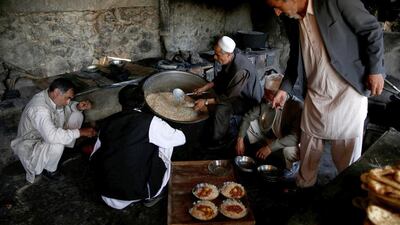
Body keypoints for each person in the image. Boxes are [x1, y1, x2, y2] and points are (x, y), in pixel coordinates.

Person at [264, 0, 385, 187]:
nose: (277, 13)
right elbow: (295, 57)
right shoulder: (292, 19)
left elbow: (372, 29)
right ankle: (304, 186)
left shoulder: (335, 1)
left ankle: (346, 193)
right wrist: (284, 89)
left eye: (278, 5)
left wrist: (375, 71)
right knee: (308, 147)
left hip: (347, 90)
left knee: (346, 153)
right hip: (315, 92)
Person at [90, 85, 186, 209]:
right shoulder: (150, 122)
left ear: (121, 102)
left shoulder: (108, 122)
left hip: (105, 189)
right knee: (166, 145)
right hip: (135, 191)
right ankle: (152, 196)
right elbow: (180, 139)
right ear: (143, 102)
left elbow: (95, 154)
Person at [11, 78, 96, 183]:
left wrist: (77, 106)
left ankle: (61, 151)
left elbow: (65, 107)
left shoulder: (50, 95)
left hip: (47, 132)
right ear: (56, 92)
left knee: (77, 115)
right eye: (67, 98)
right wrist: (81, 132)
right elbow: (52, 137)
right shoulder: (40, 110)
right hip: (32, 142)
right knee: (57, 143)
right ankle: (50, 170)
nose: (68, 101)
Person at [193, 36, 264, 145]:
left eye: (218, 55)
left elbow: (229, 97)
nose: (215, 57)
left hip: (248, 101)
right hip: (238, 93)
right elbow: (221, 77)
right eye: (215, 53)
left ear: (228, 54)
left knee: (220, 109)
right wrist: (205, 87)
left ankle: (218, 141)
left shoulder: (240, 70)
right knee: (214, 93)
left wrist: (206, 102)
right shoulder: (232, 59)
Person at [236, 74, 303, 177]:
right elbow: (248, 117)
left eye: (267, 94)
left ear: (278, 94)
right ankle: (253, 155)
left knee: (289, 151)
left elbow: (294, 137)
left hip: (287, 142)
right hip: (270, 137)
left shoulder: (297, 107)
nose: (264, 96)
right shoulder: (266, 101)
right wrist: (240, 139)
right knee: (248, 126)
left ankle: (291, 173)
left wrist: (270, 148)